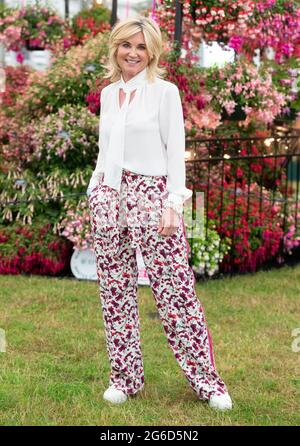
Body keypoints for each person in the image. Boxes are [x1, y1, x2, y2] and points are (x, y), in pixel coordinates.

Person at [87, 15, 232, 411]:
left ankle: (208, 382)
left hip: (152, 194)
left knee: (175, 290)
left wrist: (173, 203)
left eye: (140, 46)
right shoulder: (108, 94)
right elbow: (104, 150)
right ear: (115, 49)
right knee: (114, 291)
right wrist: (95, 192)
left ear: (152, 51)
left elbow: (175, 151)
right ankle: (124, 377)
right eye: (125, 45)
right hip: (109, 193)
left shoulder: (164, 93)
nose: (132, 53)